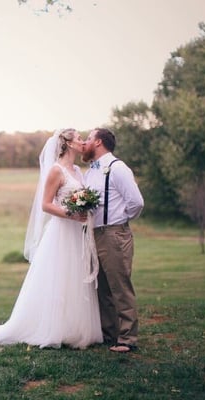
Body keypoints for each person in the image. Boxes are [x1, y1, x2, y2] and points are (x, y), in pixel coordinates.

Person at [0, 129, 103, 349]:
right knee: (59, 278)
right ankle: (53, 329)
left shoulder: (77, 170)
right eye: (77, 138)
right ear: (67, 143)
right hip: (61, 232)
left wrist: (84, 210)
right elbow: (46, 205)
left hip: (78, 232)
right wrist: (71, 214)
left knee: (75, 278)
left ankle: (76, 330)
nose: (81, 141)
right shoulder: (55, 171)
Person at [82, 128, 144, 353]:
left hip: (114, 233)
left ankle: (128, 339)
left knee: (120, 286)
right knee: (102, 288)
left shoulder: (117, 168)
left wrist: (120, 221)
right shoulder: (90, 172)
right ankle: (110, 334)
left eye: (88, 138)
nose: (84, 142)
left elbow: (136, 202)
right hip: (92, 235)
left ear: (98, 142)